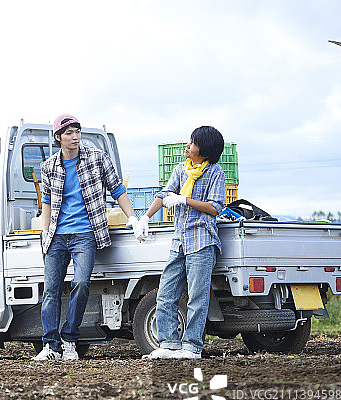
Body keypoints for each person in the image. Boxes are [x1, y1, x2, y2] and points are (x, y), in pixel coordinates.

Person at [33, 114, 142, 361]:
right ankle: (50, 346)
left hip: (85, 233)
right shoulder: (49, 166)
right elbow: (47, 200)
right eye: (69, 133)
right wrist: (45, 231)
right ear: (58, 137)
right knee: (50, 290)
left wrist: (133, 218)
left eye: (77, 132)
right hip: (57, 235)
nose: (75, 137)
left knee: (81, 283)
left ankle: (69, 339)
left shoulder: (97, 158)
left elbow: (117, 189)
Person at [136, 125, 226, 359]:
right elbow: (164, 194)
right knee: (166, 293)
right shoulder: (181, 168)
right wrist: (145, 218)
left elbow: (215, 207)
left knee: (197, 296)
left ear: (204, 151)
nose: (187, 145)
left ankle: (192, 347)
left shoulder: (215, 172)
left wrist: (184, 200)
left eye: (193, 143)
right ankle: (168, 344)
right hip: (180, 241)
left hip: (202, 242)